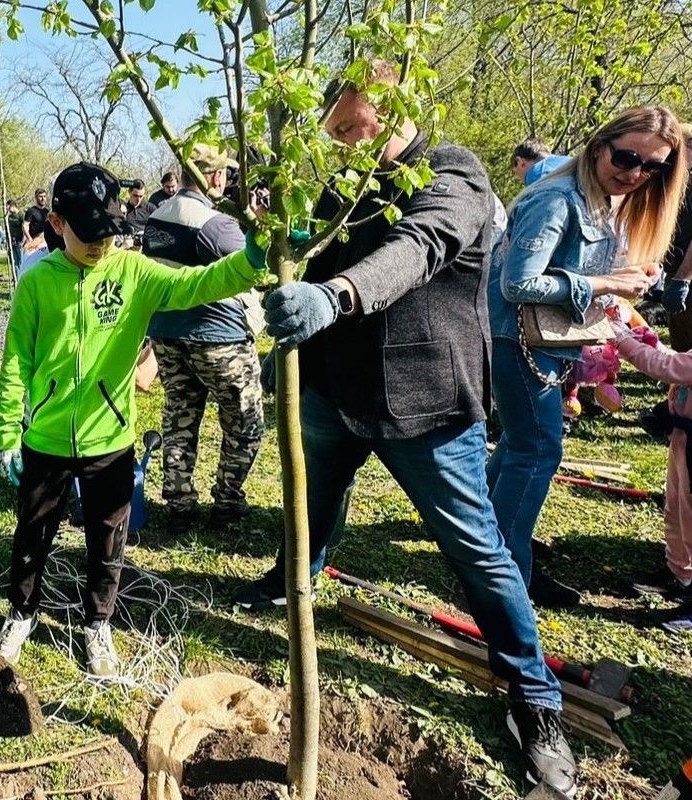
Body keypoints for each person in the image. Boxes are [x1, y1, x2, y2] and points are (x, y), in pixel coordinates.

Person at [231, 62, 577, 795]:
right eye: (343, 130)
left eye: (370, 128)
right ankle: (296, 574)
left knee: (476, 550)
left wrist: (338, 293)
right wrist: (270, 228)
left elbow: (417, 247)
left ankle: (533, 696)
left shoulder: (454, 173)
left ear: (404, 114)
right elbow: (291, 242)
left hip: (425, 405)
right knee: (315, 498)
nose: (360, 142)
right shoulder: (329, 184)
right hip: (329, 393)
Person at [0, 161, 269, 677]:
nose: (101, 245)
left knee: (108, 539)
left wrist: (252, 257)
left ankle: (97, 624)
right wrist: (9, 432)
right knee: (33, 533)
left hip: (110, 442)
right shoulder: (36, 283)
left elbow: (202, 283)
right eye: (88, 234)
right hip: (46, 439)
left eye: (109, 232)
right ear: (56, 224)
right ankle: (22, 613)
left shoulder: (133, 272)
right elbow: (14, 364)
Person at [488, 107, 685, 612]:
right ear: (601, 147)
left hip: (549, 345)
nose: (636, 172)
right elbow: (518, 283)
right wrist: (607, 283)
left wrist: (625, 275)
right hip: (520, 343)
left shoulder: (604, 199)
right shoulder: (558, 198)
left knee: (519, 446)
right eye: (627, 157)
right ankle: (503, 573)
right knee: (538, 451)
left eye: (653, 168)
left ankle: (484, 544)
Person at [144, 145, 263, 535]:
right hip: (219, 337)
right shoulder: (215, 225)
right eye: (225, 173)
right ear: (214, 177)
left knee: (180, 417)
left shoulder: (155, 218)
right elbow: (253, 267)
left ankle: (179, 505)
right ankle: (227, 502)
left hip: (167, 335)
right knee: (245, 421)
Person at [608, 317, 692, 627]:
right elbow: (675, 361)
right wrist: (649, 342)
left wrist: (622, 339)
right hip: (682, 441)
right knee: (676, 508)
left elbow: (665, 367)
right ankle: (679, 572)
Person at [659, 125, 692, 351]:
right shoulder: (680, 182)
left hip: (687, 276)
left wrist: (682, 279)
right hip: (676, 271)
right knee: (681, 346)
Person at [23, 188, 50, 252]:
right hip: (35, 241)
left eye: (44, 196)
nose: (43, 199)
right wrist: (30, 239)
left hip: (46, 241)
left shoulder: (47, 211)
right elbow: (24, 226)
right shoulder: (31, 211)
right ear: (36, 198)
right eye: (40, 197)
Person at [6, 200, 25, 274]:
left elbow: (25, 229)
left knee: (21, 260)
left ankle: (22, 275)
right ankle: (16, 278)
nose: (8, 210)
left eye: (8, 208)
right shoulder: (9, 217)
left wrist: (23, 241)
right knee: (14, 261)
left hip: (19, 242)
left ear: (13, 206)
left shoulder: (21, 215)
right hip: (12, 242)